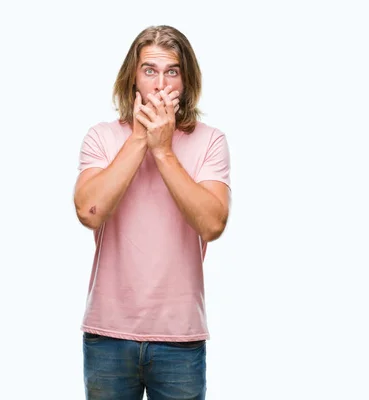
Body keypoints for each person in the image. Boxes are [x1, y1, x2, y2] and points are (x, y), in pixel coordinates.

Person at [73, 25, 231, 400]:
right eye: (150, 71)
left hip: (180, 338)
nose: (161, 84)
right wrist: (143, 136)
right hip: (108, 335)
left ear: (185, 80)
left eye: (172, 71)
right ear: (133, 78)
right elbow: (89, 211)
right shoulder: (102, 136)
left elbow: (212, 224)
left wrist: (163, 151)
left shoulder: (210, 141)